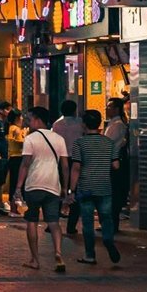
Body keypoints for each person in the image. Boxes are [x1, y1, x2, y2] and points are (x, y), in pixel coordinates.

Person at [14, 107, 68, 272]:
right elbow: (65, 166)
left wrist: (18, 187)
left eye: (29, 119)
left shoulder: (30, 139)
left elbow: (25, 164)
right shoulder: (59, 139)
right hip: (53, 185)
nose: (27, 123)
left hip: (34, 185)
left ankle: (35, 260)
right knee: (53, 222)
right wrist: (65, 188)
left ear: (37, 120)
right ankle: (58, 253)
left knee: (32, 221)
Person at [69, 109, 122, 266]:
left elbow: (76, 168)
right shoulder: (109, 142)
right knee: (106, 218)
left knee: (87, 222)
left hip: (85, 187)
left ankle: (90, 255)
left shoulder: (79, 143)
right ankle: (108, 240)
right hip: (104, 186)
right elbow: (116, 165)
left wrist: (72, 190)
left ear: (84, 124)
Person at [51, 99, 84, 239]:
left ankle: (52, 223)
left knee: (58, 190)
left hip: (61, 159)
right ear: (74, 110)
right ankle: (71, 226)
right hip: (77, 160)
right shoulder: (80, 123)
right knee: (74, 191)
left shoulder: (56, 124)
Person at [104, 97, 135, 226]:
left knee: (114, 193)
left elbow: (107, 143)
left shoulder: (117, 125)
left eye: (109, 107)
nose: (106, 109)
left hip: (115, 163)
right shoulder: (114, 123)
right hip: (113, 162)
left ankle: (112, 223)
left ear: (117, 109)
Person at [4, 109, 26, 214]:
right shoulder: (16, 129)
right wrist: (25, 135)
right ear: (17, 118)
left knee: (14, 182)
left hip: (13, 157)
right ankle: (13, 208)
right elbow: (19, 142)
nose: (22, 119)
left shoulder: (11, 128)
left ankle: (14, 207)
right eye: (20, 116)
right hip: (17, 157)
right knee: (16, 182)